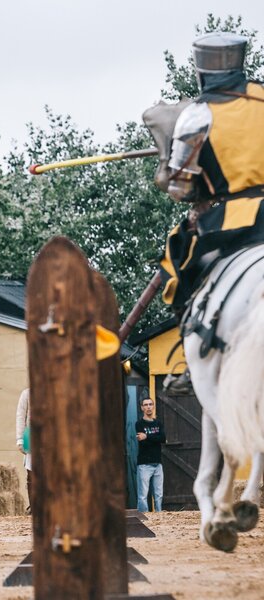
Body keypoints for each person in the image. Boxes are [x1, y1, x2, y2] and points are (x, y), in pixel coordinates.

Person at [149, 32, 264, 395]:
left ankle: (188, 350)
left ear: (201, 72)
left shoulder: (197, 117)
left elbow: (181, 188)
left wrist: (170, 164)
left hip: (233, 219)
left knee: (177, 253)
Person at [135, 397, 166, 512]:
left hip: (158, 463)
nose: (148, 407)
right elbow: (144, 442)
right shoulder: (139, 424)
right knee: (143, 495)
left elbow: (162, 438)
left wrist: (147, 436)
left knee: (159, 494)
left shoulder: (158, 423)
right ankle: (144, 519)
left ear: (153, 406)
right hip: (144, 464)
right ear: (142, 408)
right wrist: (154, 438)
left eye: (150, 404)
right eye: (146, 405)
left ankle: (159, 518)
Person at [15, 388, 32, 514]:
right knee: (31, 472)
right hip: (30, 433)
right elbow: (21, 416)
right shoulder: (27, 393)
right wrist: (20, 439)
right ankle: (33, 505)